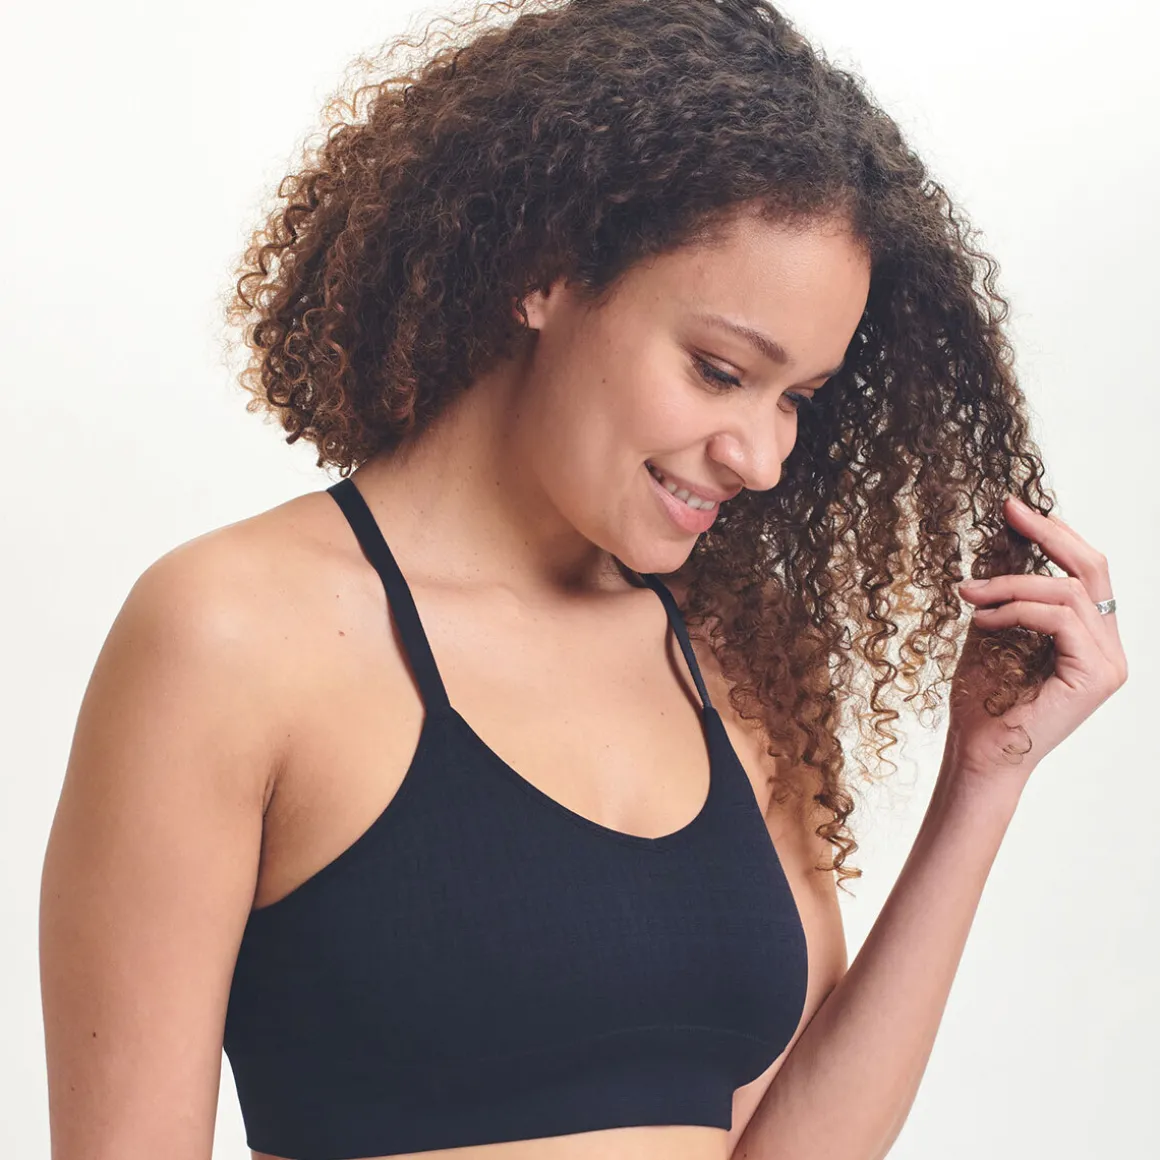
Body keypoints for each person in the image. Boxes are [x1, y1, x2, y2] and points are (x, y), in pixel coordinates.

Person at [39, 0, 1127, 1158]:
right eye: (719, 371)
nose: (761, 457)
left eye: (797, 400)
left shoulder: (735, 662)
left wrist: (983, 777)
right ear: (543, 272)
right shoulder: (232, 635)